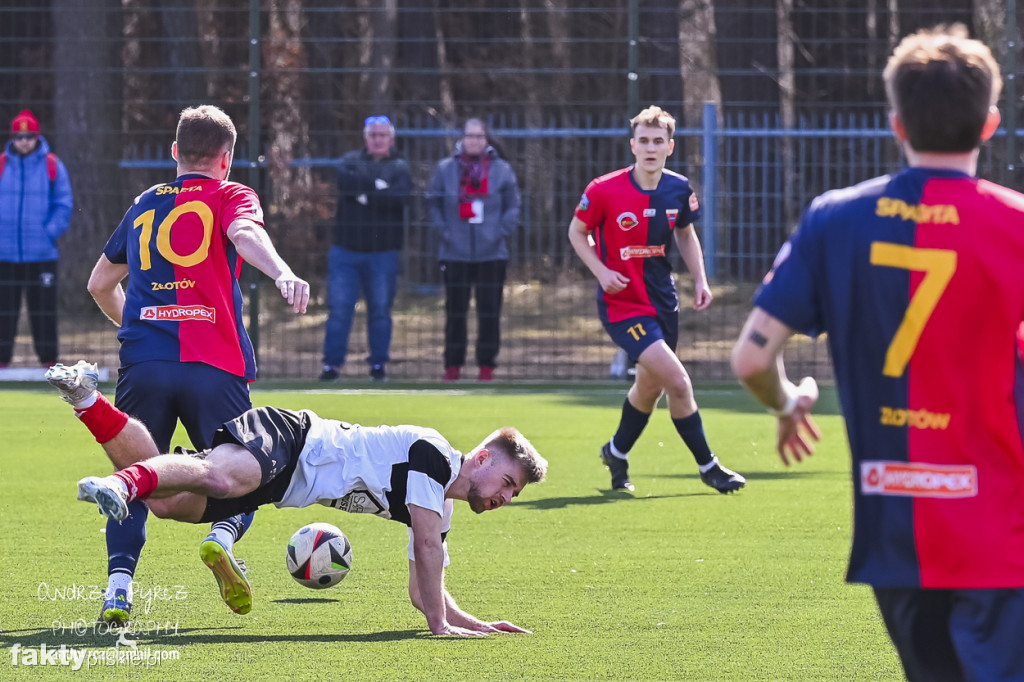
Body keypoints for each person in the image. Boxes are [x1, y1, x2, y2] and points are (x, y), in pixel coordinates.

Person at [731, 25, 1024, 681]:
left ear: (896, 124)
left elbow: (750, 360)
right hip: (1001, 532)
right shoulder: (1016, 225)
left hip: (897, 530)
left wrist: (788, 401)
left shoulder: (834, 219)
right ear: (990, 123)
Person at [48, 360, 548, 637]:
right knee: (216, 480)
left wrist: (474, 623)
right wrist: (441, 628)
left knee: (169, 504)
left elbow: (424, 592)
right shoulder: (435, 455)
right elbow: (426, 550)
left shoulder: (440, 507)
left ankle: (88, 400)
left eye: (514, 494)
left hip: (283, 485)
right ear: (482, 458)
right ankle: (121, 483)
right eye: (508, 482)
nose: (507, 496)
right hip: (293, 437)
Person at [77, 105, 310, 626]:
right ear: (225, 160)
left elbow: (98, 284)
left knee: (134, 476)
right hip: (214, 365)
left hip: (144, 364)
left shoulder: (144, 204)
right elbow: (246, 233)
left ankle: (118, 589)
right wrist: (281, 271)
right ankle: (221, 539)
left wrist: (135, 328)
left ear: (175, 151)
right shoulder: (231, 195)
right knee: (251, 473)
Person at [568, 105, 744, 494]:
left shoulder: (679, 189)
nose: (650, 148)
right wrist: (601, 271)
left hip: (663, 301)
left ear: (670, 146)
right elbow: (577, 232)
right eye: (643, 141)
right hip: (622, 305)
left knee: (650, 388)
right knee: (679, 382)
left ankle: (616, 451)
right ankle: (709, 466)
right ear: (633, 145)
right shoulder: (603, 189)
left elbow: (684, 234)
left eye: (658, 141)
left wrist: (700, 279)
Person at [319, 114, 413, 383]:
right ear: (365, 137)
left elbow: (400, 198)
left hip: (384, 253)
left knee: (381, 310)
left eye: (383, 135)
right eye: (373, 135)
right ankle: (331, 366)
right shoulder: (350, 161)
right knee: (339, 309)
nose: (378, 140)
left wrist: (365, 194)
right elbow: (346, 184)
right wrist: (379, 189)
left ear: (391, 139)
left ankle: (378, 366)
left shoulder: (400, 167)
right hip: (345, 250)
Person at [428, 118, 520, 382]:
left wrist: (500, 231)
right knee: (455, 311)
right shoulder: (446, 169)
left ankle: (486, 366)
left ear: (486, 140)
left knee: (489, 310)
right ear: (462, 139)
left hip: (492, 252)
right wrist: (445, 232)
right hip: (454, 251)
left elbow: (513, 204)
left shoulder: (502, 170)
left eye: (479, 136)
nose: (474, 141)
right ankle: (452, 366)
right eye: (470, 136)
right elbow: (432, 202)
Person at [0, 110, 73, 368]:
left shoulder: (52, 165)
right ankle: (2, 362)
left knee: (43, 312)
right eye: (19, 136)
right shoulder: (2, 165)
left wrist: (48, 232)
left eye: (29, 136)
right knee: (4, 312)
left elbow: (63, 204)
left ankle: (49, 361)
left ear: (37, 137)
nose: (24, 141)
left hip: (41, 254)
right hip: (5, 253)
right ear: (13, 138)